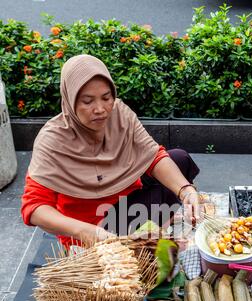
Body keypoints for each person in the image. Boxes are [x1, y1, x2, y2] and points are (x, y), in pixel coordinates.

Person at [21, 54, 201, 248]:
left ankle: (147, 233)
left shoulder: (120, 115)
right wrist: (85, 231)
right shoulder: (52, 140)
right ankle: (137, 240)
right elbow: (34, 207)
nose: (100, 109)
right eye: (87, 101)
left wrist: (185, 190)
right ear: (70, 100)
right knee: (128, 245)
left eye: (106, 98)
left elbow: (153, 156)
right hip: (93, 228)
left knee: (178, 159)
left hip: (128, 205)